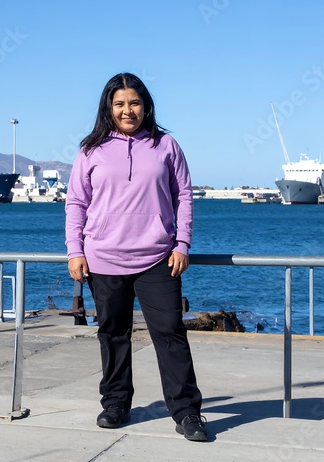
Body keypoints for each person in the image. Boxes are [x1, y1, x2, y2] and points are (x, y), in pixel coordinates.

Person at [65, 72, 207, 442]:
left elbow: (184, 197)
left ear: (145, 106)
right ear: (108, 108)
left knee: (171, 334)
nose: (128, 110)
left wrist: (182, 244)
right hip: (103, 258)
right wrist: (75, 252)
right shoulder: (90, 150)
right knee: (112, 335)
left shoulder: (166, 146)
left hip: (158, 258)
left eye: (134, 103)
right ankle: (115, 405)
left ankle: (187, 412)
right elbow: (76, 203)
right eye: (120, 104)